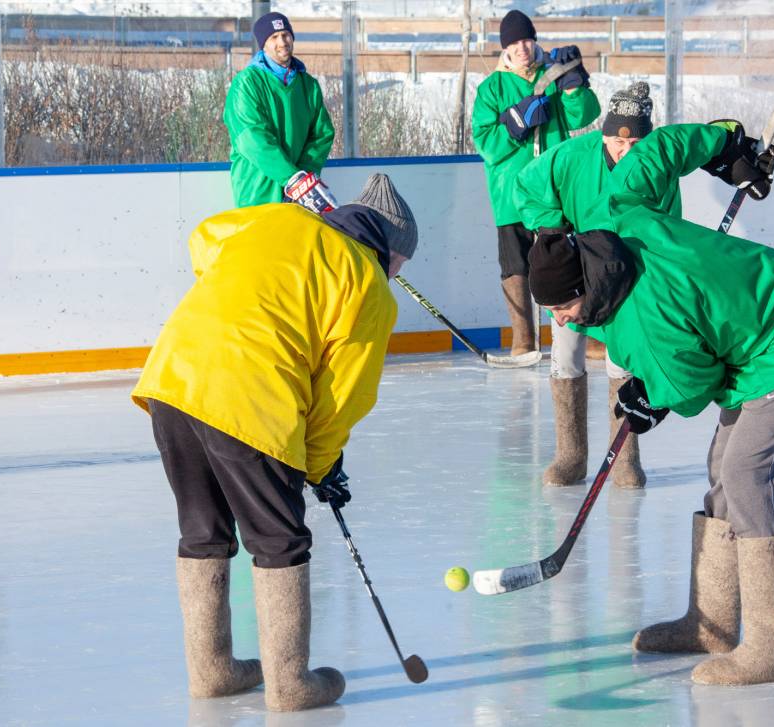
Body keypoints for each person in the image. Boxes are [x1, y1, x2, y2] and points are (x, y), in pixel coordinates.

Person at [525, 178, 774, 684]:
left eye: (562, 310)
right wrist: (723, 149)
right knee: (723, 469)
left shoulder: (644, 316)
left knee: (750, 474)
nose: (560, 321)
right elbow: (650, 163)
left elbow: (692, 381)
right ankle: (711, 624)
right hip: (758, 339)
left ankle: (770, 648)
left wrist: (652, 399)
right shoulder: (616, 228)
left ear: (587, 288)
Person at [131, 174, 418, 711]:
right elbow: (341, 398)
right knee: (279, 538)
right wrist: (321, 466)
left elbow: (205, 237)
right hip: (250, 396)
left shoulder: (276, 218)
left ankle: (212, 669)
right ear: (390, 250)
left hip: (173, 378)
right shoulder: (368, 283)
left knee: (203, 529)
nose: (399, 276)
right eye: (402, 266)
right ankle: (290, 684)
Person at [515, 83, 774, 489]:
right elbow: (526, 187)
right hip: (574, 286)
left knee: (627, 363)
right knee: (565, 359)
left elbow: (666, 221)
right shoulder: (571, 157)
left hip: (624, 288)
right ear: (603, 134)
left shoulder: (655, 169)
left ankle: (625, 459)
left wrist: (732, 160)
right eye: (616, 141)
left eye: (635, 141)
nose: (625, 151)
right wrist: (553, 230)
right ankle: (570, 456)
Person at [471, 9, 600, 356]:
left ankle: (581, 334)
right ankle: (523, 340)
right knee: (516, 267)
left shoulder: (553, 74)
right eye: (514, 43)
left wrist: (574, 87)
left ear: (534, 39)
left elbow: (584, 116)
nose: (522, 48)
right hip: (510, 195)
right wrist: (515, 123)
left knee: (568, 260)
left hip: (556, 192)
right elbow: (485, 143)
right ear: (505, 49)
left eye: (526, 39)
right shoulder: (491, 88)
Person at [223, 11, 336, 208]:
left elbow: (322, 134)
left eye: (286, 35)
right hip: (258, 193)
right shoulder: (247, 83)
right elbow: (251, 139)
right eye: (274, 37)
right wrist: (292, 179)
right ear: (263, 44)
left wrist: (304, 180)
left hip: (300, 199)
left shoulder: (308, 85)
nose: (282, 42)